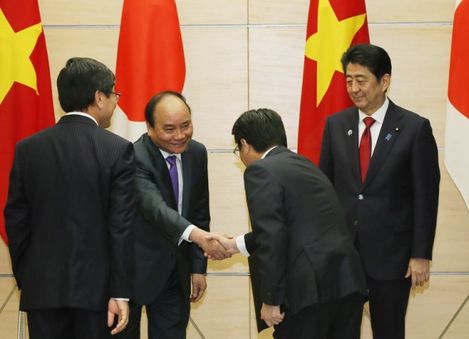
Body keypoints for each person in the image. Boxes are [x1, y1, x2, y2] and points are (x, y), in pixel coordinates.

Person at [4, 57, 134, 338]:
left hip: (41, 290)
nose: (115, 103)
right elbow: (120, 227)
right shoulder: (117, 150)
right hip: (96, 293)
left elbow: (15, 219)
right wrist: (119, 291)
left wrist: (28, 276)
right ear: (99, 97)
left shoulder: (28, 149)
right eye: (114, 95)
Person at [211, 108, 368, 339]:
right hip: (346, 283)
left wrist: (271, 300)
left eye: (238, 150)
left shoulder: (260, 171)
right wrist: (235, 245)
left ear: (245, 144)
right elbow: (294, 225)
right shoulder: (306, 166)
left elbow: (272, 237)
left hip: (309, 292)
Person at [319, 44, 440, 339]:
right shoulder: (336, 125)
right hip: (343, 256)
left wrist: (420, 254)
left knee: (388, 332)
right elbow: (324, 190)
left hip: (392, 257)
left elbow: (426, 197)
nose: (353, 88)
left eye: (361, 80)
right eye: (349, 80)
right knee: (340, 332)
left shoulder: (414, 128)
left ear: (384, 81)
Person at [118, 91, 228, 339]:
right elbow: (154, 208)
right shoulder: (133, 156)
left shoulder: (196, 153)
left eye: (186, 125)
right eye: (169, 129)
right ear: (149, 127)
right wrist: (199, 237)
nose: (180, 135)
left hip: (175, 274)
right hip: (133, 271)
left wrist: (198, 267)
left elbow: (200, 211)